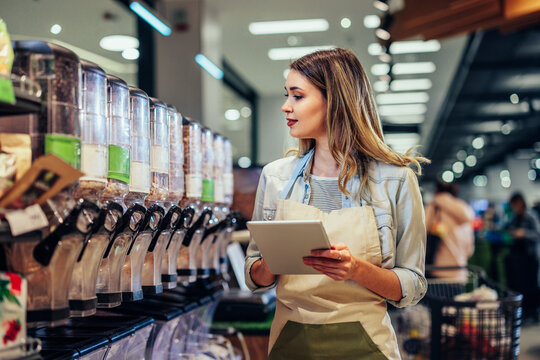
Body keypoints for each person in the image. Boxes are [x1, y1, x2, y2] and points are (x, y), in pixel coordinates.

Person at [244, 48, 428, 360]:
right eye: (287, 95)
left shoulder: (396, 180)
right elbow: (254, 275)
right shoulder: (275, 178)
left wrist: (355, 269)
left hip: (367, 347)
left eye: (297, 96)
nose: (285, 106)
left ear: (336, 100)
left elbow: (411, 285)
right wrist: (271, 263)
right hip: (290, 345)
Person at [424, 181, 475, 281]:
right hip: (460, 271)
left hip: (438, 270)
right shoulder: (465, 209)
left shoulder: (433, 208)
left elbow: (421, 236)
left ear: (436, 191)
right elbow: (469, 250)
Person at [504, 192, 540, 322]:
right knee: (522, 286)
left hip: (531, 256)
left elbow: (537, 234)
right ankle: (524, 312)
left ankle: (534, 313)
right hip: (520, 258)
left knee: (532, 286)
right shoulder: (515, 217)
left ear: (520, 202)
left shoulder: (531, 215)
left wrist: (523, 233)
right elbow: (507, 226)